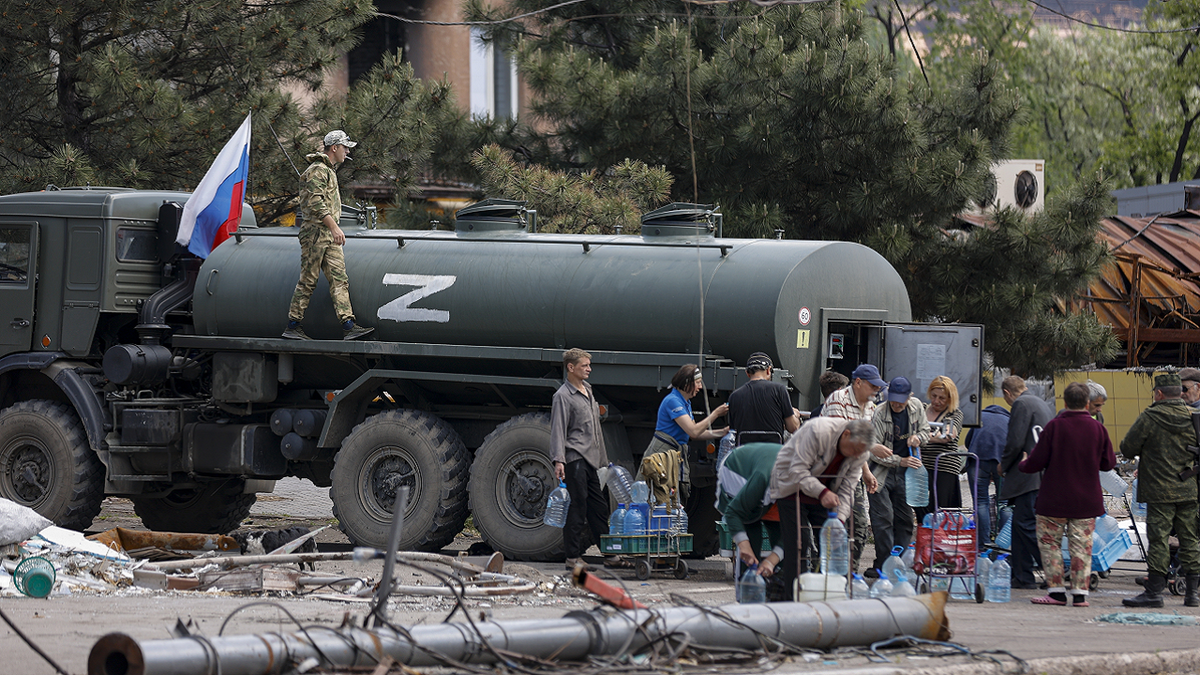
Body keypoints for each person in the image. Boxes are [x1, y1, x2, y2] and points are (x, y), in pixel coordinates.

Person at [1018, 382, 1117, 607]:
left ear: (1064, 402)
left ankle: (1056, 592)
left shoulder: (1054, 427)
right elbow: (1108, 463)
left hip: (1054, 500)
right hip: (1087, 501)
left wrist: (1023, 464)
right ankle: (1080, 595)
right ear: (1087, 403)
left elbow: (1036, 462)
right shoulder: (1098, 429)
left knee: (1050, 543)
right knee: (1082, 546)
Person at [770, 417, 874, 598]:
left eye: (861, 453)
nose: (857, 456)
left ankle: (831, 596)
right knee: (799, 544)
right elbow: (796, 470)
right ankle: (794, 599)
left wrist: (840, 520)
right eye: (855, 450)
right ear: (846, 434)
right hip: (791, 487)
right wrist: (822, 492)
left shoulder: (861, 453)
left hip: (824, 493)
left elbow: (848, 487)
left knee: (834, 544)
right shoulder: (818, 431)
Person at [284, 130, 373, 341]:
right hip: (316, 233)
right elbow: (316, 203)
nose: (348, 151)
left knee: (339, 278)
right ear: (334, 148)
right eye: (345, 147)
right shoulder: (318, 170)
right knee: (308, 280)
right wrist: (334, 227)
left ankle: (349, 325)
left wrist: (332, 230)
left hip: (327, 234)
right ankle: (293, 326)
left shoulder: (328, 170)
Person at [1120, 373, 1200, 608]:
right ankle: (1192, 594)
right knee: (1190, 540)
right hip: (1187, 488)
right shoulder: (1193, 417)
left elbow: (1127, 448)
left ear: (1159, 393)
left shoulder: (1150, 417)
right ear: (1180, 393)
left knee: (1159, 540)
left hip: (1159, 491)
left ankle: (1154, 592)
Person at [822, 364, 894, 573]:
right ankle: (827, 571)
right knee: (834, 522)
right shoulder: (838, 400)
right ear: (858, 382)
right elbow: (843, 438)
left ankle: (849, 573)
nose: (876, 391)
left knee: (860, 524)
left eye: (878, 387)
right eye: (872, 386)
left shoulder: (870, 407)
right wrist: (872, 448)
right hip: (830, 471)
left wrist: (867, 472)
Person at [549, 348, 610, 569]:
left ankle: (609, 553)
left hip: (591, 460)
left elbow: (595, 430)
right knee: (577, 507)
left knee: (599, 506)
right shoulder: (563, 396)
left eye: (589, 365)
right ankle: (572, 558)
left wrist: (603, 460)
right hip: (575, 458)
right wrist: (559, 460)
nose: (589, 369)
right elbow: (558, 430)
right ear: (571, 367)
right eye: (584, 365)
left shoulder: (588, 391)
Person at [868, 376, 932, 573]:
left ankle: (900, 563)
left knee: (905, 519)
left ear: (909, 396)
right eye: (893, 399)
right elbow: (874, 450)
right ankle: (884, 564)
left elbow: (926, 431)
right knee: (883, 518)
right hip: (881, 472)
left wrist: (918, 438)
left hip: (907, 473)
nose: (896, 404)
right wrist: (899, 460)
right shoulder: (879, 413)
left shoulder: (917, 407)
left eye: (900, 400)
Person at [642, 364, 728, 501]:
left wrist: (722, 432)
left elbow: (697, 432)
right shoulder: (673, 401)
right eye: (698, 383)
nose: (700, 387)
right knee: (659, 500)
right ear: (687, 383)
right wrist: (716, 414)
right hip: (662, 457)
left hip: (672, 455)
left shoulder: (685, 403)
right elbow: (693, 432)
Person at [999, 375, 1053, 590]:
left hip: (1027, 473)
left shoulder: (1020, 403)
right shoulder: (1040, 402)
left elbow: (1015, 440)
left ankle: (1053, 569)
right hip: (1040, 471)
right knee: (1020, 525)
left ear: (1007, 394)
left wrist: (1003, 463)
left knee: (1025, 523)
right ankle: (1022, 575)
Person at [718, 442, 785, 578]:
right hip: (738, 471)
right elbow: (733, 512)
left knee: (782, 536)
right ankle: (746, 588)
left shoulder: (802, 486)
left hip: (774, 489)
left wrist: (772, 561)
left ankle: (780, 588)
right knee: (751, 538)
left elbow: (795, 533)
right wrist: (744, 545)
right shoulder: (763, 478)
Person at [915, 376, 965, 525]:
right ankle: (925, 536)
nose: (936, 401)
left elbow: (948, 435)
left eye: (942, 398)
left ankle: (940, 541)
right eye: (934, 396)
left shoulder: (954, 414)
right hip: (921, 466)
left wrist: (920, 437)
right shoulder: (922, 409)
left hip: (943, 469)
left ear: (950, 398)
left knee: (941, 511)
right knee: (920, 506)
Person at [727, 352, 801, 446]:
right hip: (772, 452)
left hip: (745, 453)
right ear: (768, 370)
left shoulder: (734, 396)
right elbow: (793, 427)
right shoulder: (779, 390)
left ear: (747, 373)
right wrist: (794, 414)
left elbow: (733, 431)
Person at [966, 402, 1010, 546]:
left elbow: (968, 442)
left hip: (978, 461)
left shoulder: (979, 416)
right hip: (1002, 462)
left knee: (981, 503)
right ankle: (1004, 547)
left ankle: (984, 545)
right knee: (1004, 503)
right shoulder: (1009, 420)